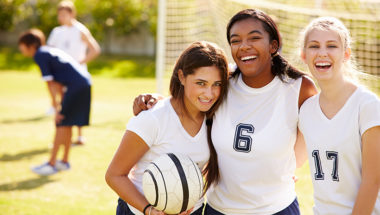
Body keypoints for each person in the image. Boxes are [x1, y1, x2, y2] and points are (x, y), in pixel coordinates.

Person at [133, 9, 317, 215]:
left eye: (254, 38)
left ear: (273, 45)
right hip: (219, 209)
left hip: (276, 209)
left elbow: (314, 133)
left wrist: (288, 167)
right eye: (235, 40)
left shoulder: (298, 87)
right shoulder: (224, 81)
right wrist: (153, 100)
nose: (244, 46)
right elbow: (191, 96)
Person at [105, 41, 229, 215]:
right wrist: (149, 210)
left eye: (217, 84)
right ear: (182, 76)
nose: (209, 94)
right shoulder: (154, 118)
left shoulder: (216, 117)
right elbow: (114, 175)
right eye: (201, 83)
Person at [298, 16, 380, 215]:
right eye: (314, 46)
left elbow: (373, 181)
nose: (322, 53)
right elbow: (291, 161)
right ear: (304, 55)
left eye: (332, 46)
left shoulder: (367, 106)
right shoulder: (306, 109)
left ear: (346, 54)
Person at [18, 29, 92, 175]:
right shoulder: (46, 51)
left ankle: (51, 164)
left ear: (30, 45)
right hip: (83, 83)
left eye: (21, 45)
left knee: (61, 122)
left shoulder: (39, 55)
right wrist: (61, 103)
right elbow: (58, 82)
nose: (20, 48)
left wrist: (56, 107)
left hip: (76, 86)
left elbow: (50, 83)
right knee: (67, 123)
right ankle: (64, 162)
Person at [46, 0, 100, 146]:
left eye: (64, 14)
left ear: (72, 14)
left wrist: (78, 63)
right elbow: (49, 52)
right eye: (60, 15)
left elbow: (95, 49)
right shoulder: (57, 32)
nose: (61, 17)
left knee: (77, 104)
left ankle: (80, 135)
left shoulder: (80, 30)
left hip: (78, 77)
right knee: (61, 105)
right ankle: (61, 137)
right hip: (60, 77)